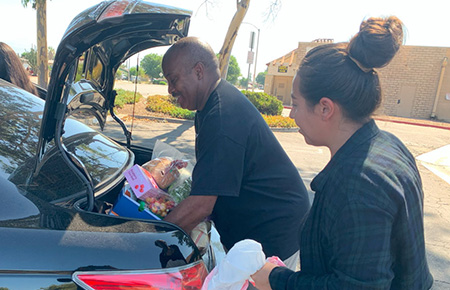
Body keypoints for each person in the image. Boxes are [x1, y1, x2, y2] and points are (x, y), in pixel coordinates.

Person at [252, 16, 434, 289]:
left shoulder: (358, 181)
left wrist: (276, 279)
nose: (292, 115)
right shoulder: (389, 145)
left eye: (295, 103)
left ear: (325, 108)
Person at [161, 36, 311, 269]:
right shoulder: (210, 106)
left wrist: (152, 236)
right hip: (258, 233)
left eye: (173, 80)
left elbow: (202, 203)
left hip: (272, 237)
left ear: (199, 71)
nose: (170, 89)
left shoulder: (222, 116)